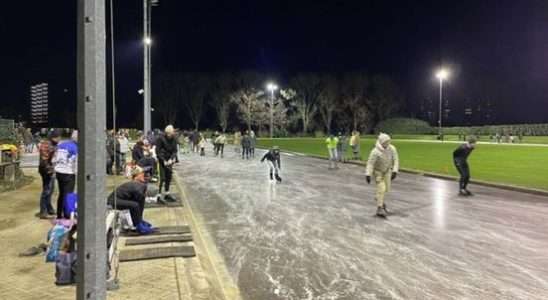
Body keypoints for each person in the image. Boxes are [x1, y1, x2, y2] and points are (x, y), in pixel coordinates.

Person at [107, 166, 153, 234]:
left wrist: (140, 219)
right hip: (113, 201)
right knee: (135, 205)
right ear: (148, 192)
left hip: (119, 198)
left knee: (140, 201)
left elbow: (139, 205)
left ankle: (139, 221)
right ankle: (139, 226)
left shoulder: (141, 188)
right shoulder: (139, 189)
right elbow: (135, 207)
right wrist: (138, 223)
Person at [365, 133, 399, 218]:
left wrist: (395, 171)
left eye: (389, 141)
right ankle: (379, 207)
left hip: (387, 171)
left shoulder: (392, 148)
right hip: (378, 172)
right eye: (386, 142)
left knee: (386, 189)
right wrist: (368, 174)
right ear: (381, 142)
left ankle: (378, 198)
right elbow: (370, 163)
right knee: (381, 188)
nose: (388, 143)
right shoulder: (375, 151)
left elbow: (396, 159)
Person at [52, 130, 78, 219]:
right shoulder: (75, 148)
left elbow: (53, 159)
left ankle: (59, 214)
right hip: (68, 173)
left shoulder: (61, 145)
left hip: (59, 172)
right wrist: (77, 173)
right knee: (69, 194)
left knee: (61, 193)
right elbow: (76, 163)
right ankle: (67, 215)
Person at [38, 129, 62, 219]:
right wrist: (50, 170)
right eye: (58, 137)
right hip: (45, 170)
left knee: (51, 190)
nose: (60, 139)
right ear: (54, 137)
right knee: (46, 190)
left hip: (51, 170)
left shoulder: (54, 144)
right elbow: (44, 161)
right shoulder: (46, 144)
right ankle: (43, 212)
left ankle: (49, 208)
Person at [156, 125, 178, 202]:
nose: (169, 137)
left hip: (169, 161)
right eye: (168, 135)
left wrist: (171, 159)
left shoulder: (174, 139)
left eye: (171, 135)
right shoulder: (160, 138)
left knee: (169, 177)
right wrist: (163, 160)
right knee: (162, 178)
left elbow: (175, 151)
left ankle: (166, 194)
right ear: (166, 133)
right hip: (162, 161)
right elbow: (157, 152)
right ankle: (158, 196)